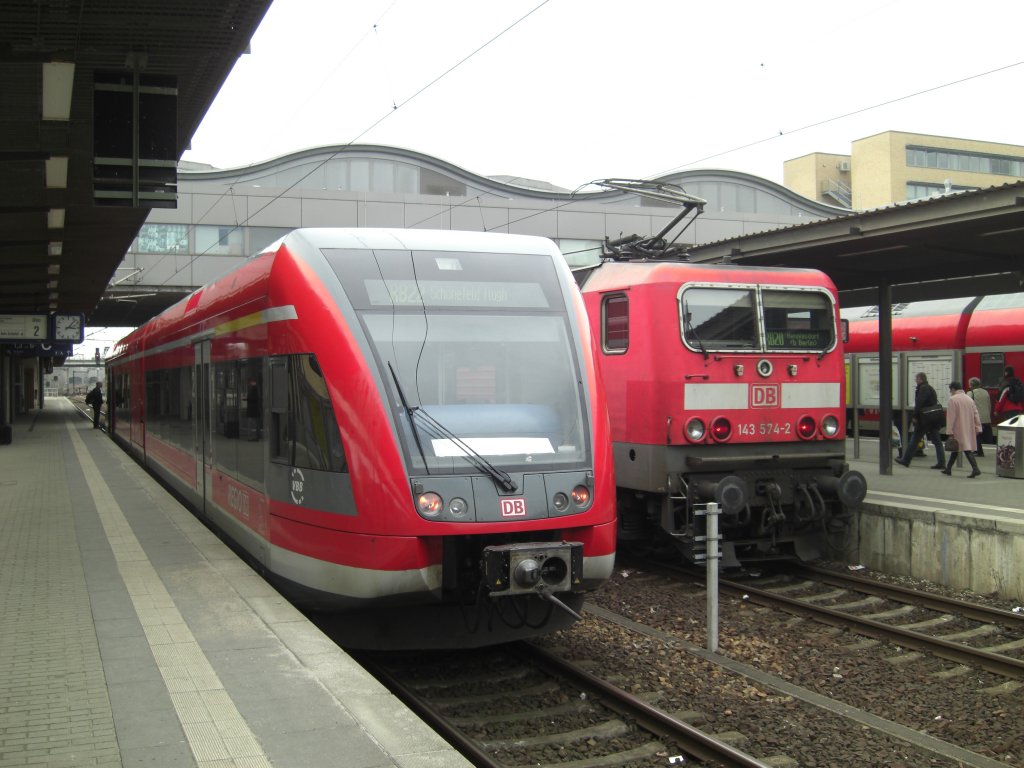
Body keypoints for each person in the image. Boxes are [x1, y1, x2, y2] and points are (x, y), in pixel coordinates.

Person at [896, 371, 945, 469]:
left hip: (925, 419)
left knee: (914, 439)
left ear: (920, 379)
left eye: (916, 379)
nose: (915, 380)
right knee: (937, 441)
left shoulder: (923, 389)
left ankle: (905, 460)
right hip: (932, 418)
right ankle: (941, 463)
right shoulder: (929, 388)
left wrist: (915, 416)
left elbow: (919, 403)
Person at [942, 382, 981, 478]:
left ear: (954, 389)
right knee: (956, 448)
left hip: (958, 428)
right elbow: (976, 413)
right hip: (969, 427)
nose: (950, 392)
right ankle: (948, 468)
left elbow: (951, 417)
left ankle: (976, 469)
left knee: (965, 448)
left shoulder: (953, 400)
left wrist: (949, 431)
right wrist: (978, 427)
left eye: (950, 390)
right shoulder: (969, 399)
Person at [966, 377, 992, 456]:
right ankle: (979, 451)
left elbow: (968, 406)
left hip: (977, 417)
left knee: (975, 434)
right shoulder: (985, 392)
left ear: (971, 385)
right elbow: (989, 405)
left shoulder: (970, 393)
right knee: (978, 435)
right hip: (986, 417)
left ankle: (978, 451)